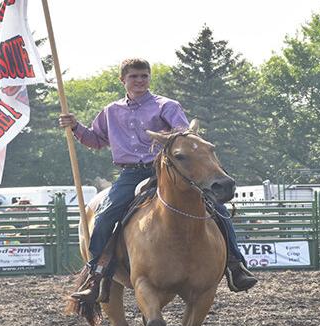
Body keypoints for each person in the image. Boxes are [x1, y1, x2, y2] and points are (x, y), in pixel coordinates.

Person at [59, 58, 257, 303]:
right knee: (105, 216)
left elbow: (184, 136)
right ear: (123, 80)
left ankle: (235, 264)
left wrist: (166, 139)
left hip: (167, 170)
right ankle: (95, 276)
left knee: (216, 208)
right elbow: (96, 140)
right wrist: (75, 126)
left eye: (144, 76)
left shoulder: (167, 106)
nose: (140, 81)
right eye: (134, 76)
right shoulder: (111, 111)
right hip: (130, 173)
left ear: (149, 78)